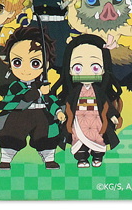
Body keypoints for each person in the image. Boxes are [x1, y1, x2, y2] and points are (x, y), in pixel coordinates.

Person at [0, 26, 66, 170]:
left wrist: (58, 112)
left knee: (47, 135)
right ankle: (5, 159)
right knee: (11, 134)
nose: (25, 69)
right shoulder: (15, 85)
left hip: (41, 114)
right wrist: (39, 92)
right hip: (19, 115)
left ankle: (49, 159)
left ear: (46, 64)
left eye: (35, 63)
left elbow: (51, 101)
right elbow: (23, 96)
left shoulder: (44, 85)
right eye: (17, 62)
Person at [52, 35, 123, 168]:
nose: (86, 72)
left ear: (103, 69)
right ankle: (82, 158)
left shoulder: (99, 91)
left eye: (95, 67)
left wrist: (113, 115)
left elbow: (106, 104)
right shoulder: (74, 92)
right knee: (78, 139)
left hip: (96, 119)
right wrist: (62, 114)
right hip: (78, 119)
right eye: (77, 68)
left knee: (98, 138)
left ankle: (97, 156)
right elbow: (68, 104)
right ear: (69, 70)